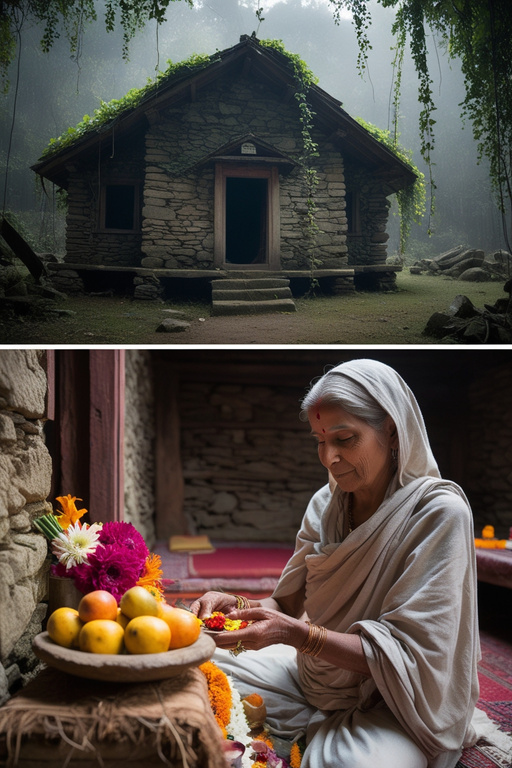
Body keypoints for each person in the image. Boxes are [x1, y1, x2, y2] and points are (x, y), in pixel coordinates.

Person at [191, 358, 480, 768]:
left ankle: (318, 732)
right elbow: (285, 607)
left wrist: (301, 637)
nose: (329, 457)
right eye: (319, 441)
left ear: (392, 432)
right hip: (313, 678)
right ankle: (317, 722)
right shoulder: (324, 505)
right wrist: (235, 609)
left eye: (345, 439)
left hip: (396, 703)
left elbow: (410, 658)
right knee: (191, 658)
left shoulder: (439, 513)